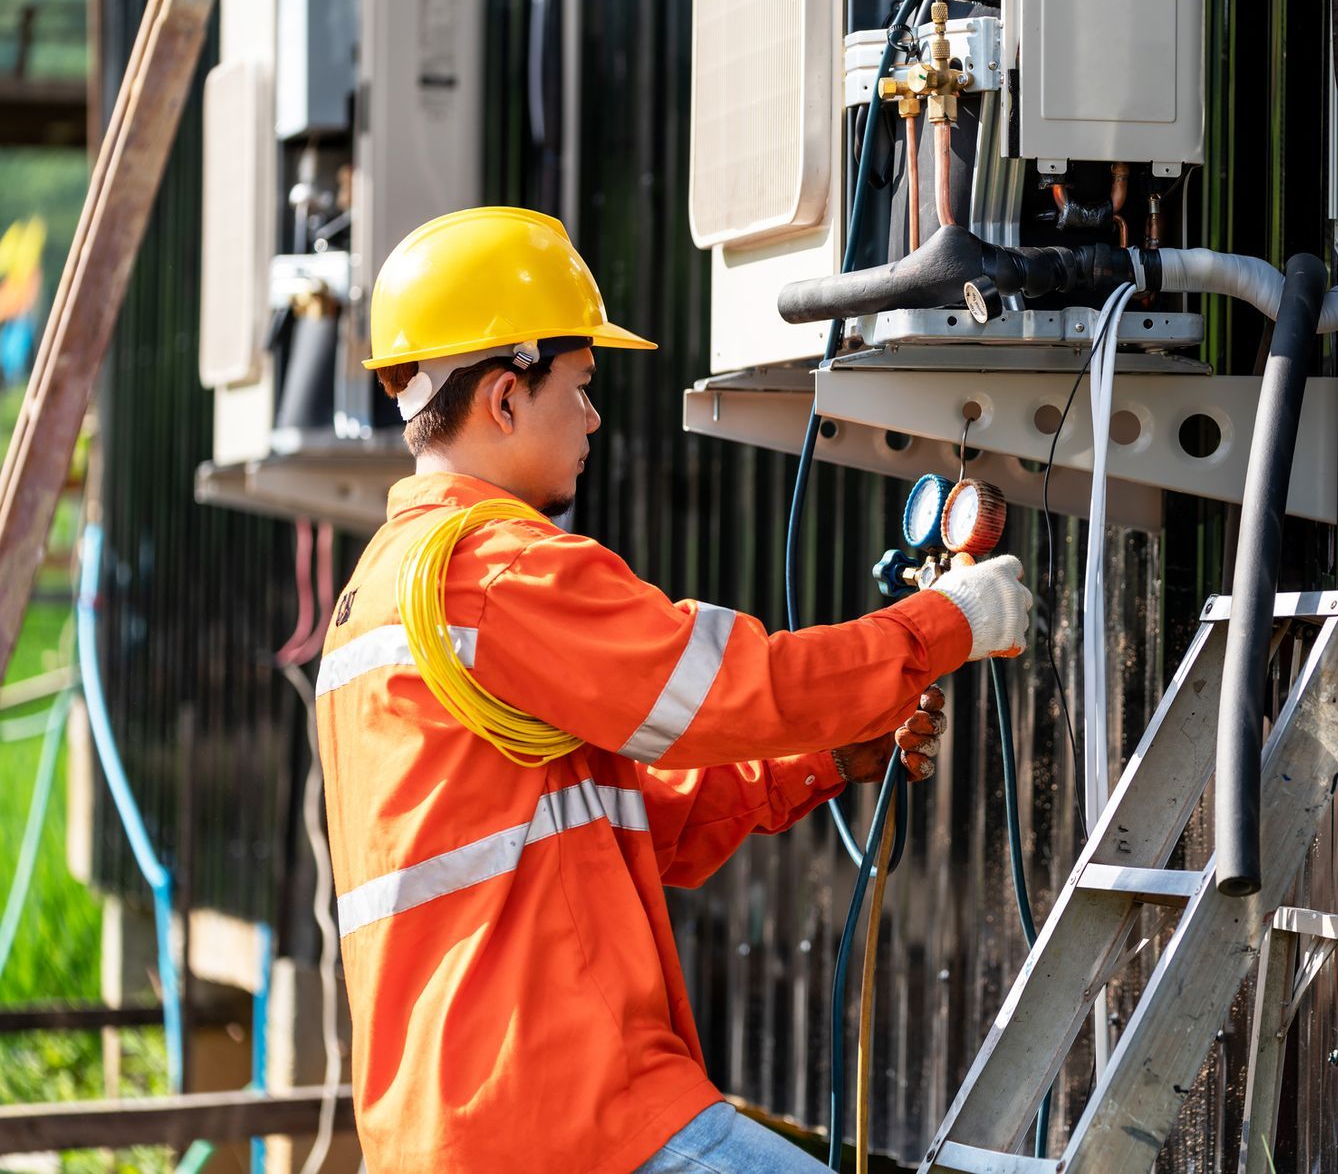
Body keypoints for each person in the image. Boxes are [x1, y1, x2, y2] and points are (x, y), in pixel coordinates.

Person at [314, 207, 1031, 1173]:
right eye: (580, 383)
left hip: (459, 1129)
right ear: (503, 397)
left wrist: (821, 760)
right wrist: (951, 620)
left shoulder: (383, 594)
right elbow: (735, 692)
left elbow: (618, 837)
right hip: (567, 1111)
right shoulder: (498, 572)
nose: (595, 417)